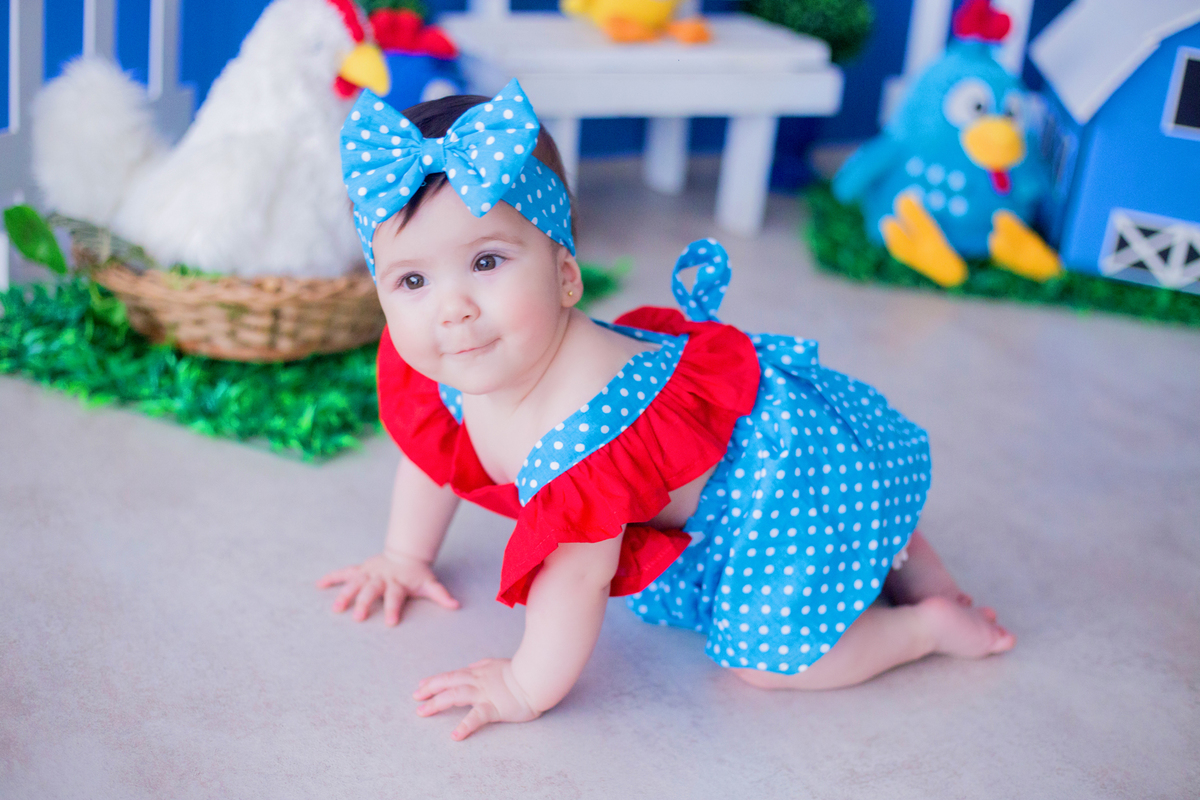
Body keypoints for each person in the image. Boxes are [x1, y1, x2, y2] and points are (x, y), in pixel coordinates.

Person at [318, 80, 1015, 741]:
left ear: (566, 275)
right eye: (412, 279)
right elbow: (438, 455)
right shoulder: (466, 363)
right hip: (774, 455)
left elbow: (577, 578)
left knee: (766, 664)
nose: (452, 308)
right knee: (856, 519)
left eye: (487, 262)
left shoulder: (575, 432)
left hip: (775, 496)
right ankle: (903, 552)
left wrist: (525, 686)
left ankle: (925, 626)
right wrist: (404, 555)